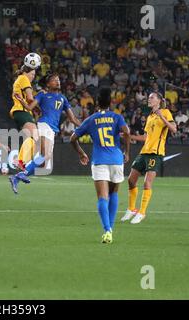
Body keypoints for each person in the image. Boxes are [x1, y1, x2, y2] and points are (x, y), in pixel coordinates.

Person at [70, 88, 130, 244]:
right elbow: (127, 132)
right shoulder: (117, 117)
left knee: (102, 197)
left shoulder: (91, 119)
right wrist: (127, 152)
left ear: (97, 103)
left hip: (99, 161)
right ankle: (111, 228)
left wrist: (81, 153)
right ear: (110, 103)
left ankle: (107, 230)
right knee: (114, 194)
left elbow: (72, 138)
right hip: (116, 160)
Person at [9, 73, 81, 194]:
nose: (57, 81)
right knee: (45, 154)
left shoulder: (63, 98)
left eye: (58, 79)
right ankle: (21, 173)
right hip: (44, 125)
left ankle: (17, 177)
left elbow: (73, 119)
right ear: (48, 84)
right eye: (54, 80)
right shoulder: (43, 95)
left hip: (52, 129)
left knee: (43, 162)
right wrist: (22, 101)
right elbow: (30, 107)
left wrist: (86, 126)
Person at [121, 92, 177, 224]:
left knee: (147, 183)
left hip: (155, 153)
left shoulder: (166, 112)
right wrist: (130, 137)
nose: (149, 99)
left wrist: (162, 117)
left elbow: (174, 129)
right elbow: (145, 138)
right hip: (144, 152)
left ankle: (142, 212)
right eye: (149, 98)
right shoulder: (150, 116)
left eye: (152, 97)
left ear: (158, 100)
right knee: (130, 180)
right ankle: (131, 209)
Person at [10, 64, 39, 170]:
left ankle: (21, 162)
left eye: (34, 75)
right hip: (22, 111)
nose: (33, 77)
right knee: (35, 137)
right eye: (32, 74)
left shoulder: (19, 79)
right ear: (26, 72)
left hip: (19, 112)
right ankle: (19, 160)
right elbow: (31, 99)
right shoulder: (24, 78)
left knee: (31, 139)